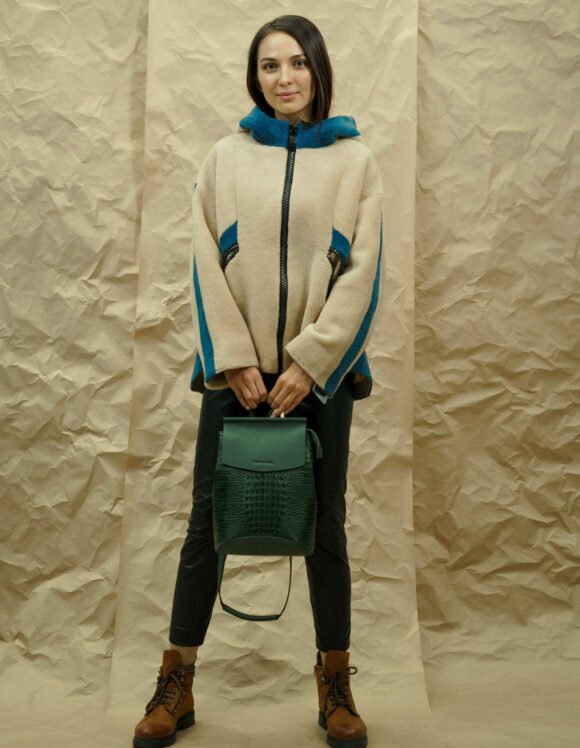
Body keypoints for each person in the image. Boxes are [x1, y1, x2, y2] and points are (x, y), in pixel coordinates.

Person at [133, 14, 383, 748]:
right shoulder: (225, 158)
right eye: (270, 65)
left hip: (321, 376)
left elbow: (363, 274)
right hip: (235, 375)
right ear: (256, 77)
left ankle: (335, 684)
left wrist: (311, 363)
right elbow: (203, 260)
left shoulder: (356, 163)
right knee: (207, 524)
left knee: (326, 525)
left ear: (318, 69)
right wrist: (235, 360)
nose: (284, 78)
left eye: (297, 63)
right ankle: (177, 681)